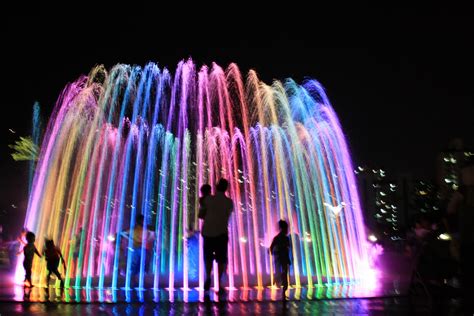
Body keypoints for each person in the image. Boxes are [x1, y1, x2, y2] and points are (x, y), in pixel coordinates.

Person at [200, 179, 233, 293]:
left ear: (216, 186)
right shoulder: (229, 202)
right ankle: (218, 282)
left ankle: (208, 277)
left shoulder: (209, 199)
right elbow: (228, 215)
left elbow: (201, 214)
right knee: (221, 259)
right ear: (226, 188)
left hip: (208, 233)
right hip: (222, 234)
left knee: (208, 257)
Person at [270, 220, 291, 299]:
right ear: (283, 228)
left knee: (282, 274)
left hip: (280, 259)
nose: (287, 230)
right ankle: (281, 287)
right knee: (284, 274)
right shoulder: (284, 238)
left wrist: (272, 252)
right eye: (286, 228)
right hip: (282, 259)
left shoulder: (278, 238)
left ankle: (279, 282)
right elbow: (287, 248)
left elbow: (271, 247)